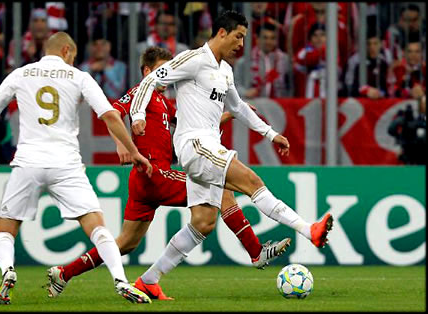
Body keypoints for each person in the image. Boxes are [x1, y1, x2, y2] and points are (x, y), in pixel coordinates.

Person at [45, 46, 290, 300]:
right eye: (163, 69)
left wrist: (233, 113)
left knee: (125, 243)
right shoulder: (141, 91)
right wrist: (121, 145)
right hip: (154, 173)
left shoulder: (164, 102)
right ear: (148, 71)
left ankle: (64, 273)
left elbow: (190, 123)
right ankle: (255, 250)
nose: (170, 75)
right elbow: (114, 113)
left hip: (146, 180)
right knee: (220, 187)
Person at [130, 10, 334, 298]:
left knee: (202, 223)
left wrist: (270, 133)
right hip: (195, 145)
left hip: (208, 147)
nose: (241, 44)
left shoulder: (225, 70)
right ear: (222, 33)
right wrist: (138, 114)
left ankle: (148, 280)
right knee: (251, 182)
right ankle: (308, 229)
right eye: (238, 36)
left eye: (244, 38)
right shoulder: (194, 60)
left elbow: (238, 108)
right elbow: (151, 81)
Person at [0, 32, 152, 305]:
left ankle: (7, 270)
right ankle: (120, 280)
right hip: (66, 163)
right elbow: (110, 115)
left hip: (28, 163)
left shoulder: (20, 74)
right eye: (74, 55)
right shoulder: (79, 77)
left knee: (6, 229)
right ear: (67, 50)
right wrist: (133, 150)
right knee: (96, 226)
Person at [234, 23, 292, 98]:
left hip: (278, 106)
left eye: (272, 38)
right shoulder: (244, 62)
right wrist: (246, 93)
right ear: (257, 38)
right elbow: (234, 86)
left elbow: (290, 86)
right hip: (254, 105)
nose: (269, 42)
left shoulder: (284, 60)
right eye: (265, 38)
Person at [79, 34, 127, 99]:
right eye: (95, 44)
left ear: (109, 46)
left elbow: (117, 94)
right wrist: (91, 71)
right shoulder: (84, 67)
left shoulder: (120, 66)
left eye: (103, 44)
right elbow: (81, 94)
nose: (99, 48)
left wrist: (107, 70)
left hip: (113, 106)